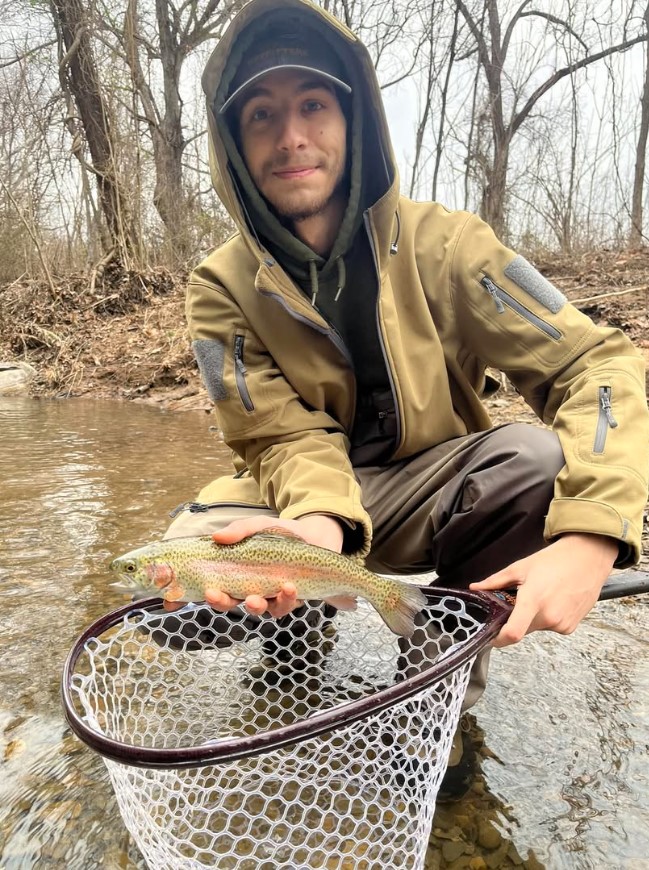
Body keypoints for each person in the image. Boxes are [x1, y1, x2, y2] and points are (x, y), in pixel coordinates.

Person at [164, 0, 649, 798]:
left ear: (352, 118)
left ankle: (429, 707)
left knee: (531, 458)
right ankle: (292, 653)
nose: (290, 136)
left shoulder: (453, 246)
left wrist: (593, 535)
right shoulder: (218, 289)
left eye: (312, 105)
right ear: (234, 145)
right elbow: (275, 436)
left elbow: (595, 364)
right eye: (262, 113)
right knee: (179, 588)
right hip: (297, 501)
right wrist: (314, 530)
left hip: (431, 491)